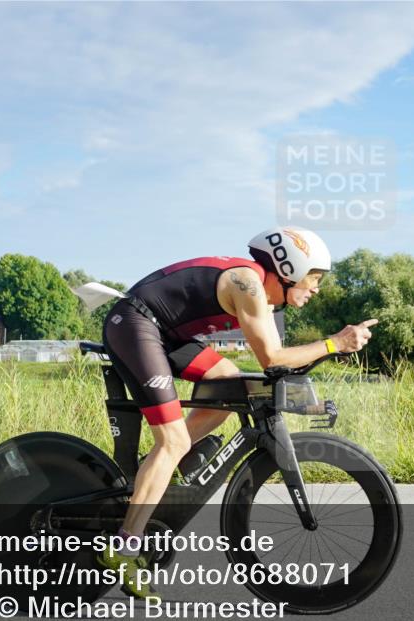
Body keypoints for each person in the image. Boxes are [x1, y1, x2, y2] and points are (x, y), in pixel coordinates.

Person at [97, 226, 378, 598]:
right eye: (314, 278)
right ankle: (125, 546)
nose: (316, 288)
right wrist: (334, 343)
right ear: (289, 267)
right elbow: (274, 358)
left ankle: (163, 466)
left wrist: (309, 399)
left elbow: (275, 370)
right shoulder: (249, 285)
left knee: (230, 382)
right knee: (174, 439)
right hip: (135, 324)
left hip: (166, 334)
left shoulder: (266, 299)